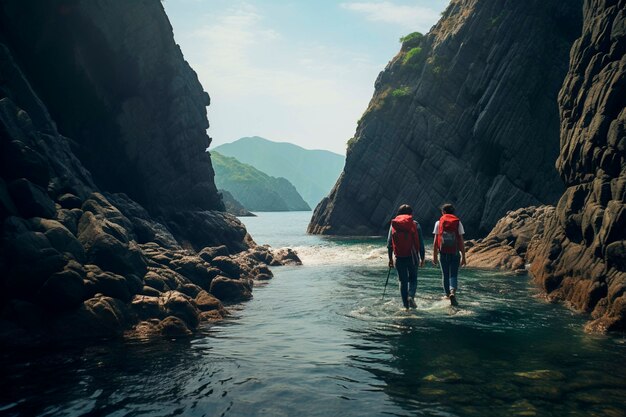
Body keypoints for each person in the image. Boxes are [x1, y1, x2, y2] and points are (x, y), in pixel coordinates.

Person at [387, 204, 425, 310]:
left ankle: (406, 307)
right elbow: (421, 244)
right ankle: (411, 296)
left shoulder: (394, 224)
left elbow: (389, 243)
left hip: (399, 256)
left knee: (402, 281)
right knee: (413, 279)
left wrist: (390, 259)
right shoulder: (415, 224)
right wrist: (422, 258)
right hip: (413, 256)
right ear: (411, 214)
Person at [432, 203, 466, 306]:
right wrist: (464, 256)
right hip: (455, 252)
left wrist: (434, 256)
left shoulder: (439, 222)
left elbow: (435, 241)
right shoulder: (458, 222)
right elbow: (461, 240)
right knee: (453, 274)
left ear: (443, 212)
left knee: (445, 274)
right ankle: (452, 293)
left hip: (443, 252)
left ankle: (447, 295)